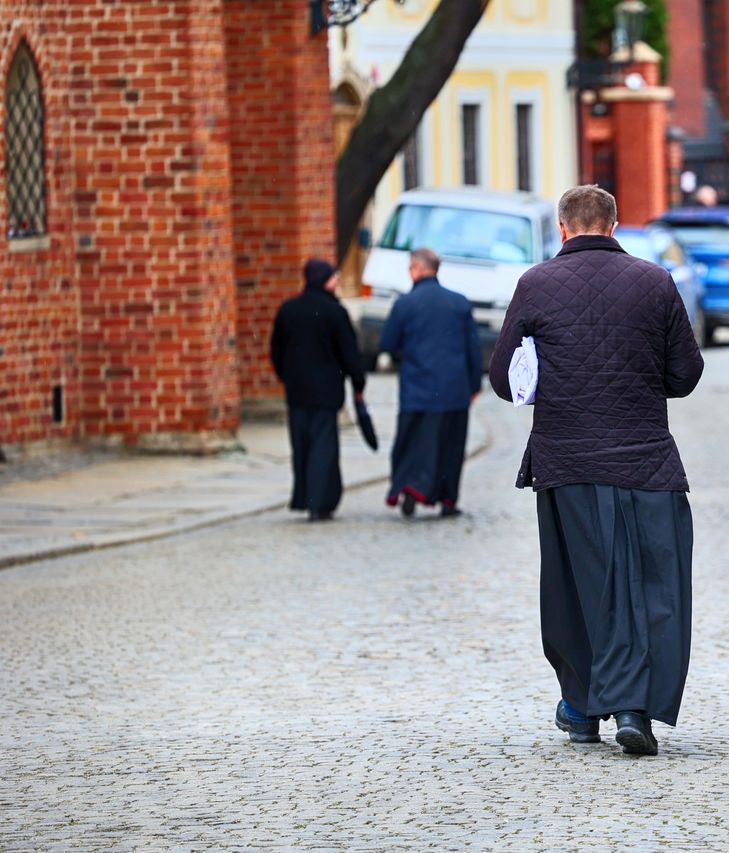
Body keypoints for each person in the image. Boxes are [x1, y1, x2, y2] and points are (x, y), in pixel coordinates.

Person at [490, 185, 704, 757]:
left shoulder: (535, 284)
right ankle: (635, 708)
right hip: (646, 460)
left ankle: (582, 706)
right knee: (652, 588)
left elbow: (501, 375)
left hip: (568, 460)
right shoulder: (655, 281)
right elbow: (685, 376)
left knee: (575, 590)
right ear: (616, 224)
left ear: (562, 228)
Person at [379, 248, 481, 519]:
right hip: (453, 389)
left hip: (417, 388)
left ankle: (411, 487)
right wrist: (474, 385)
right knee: (450, 446)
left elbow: (388, 343)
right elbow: (473, 348)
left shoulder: (405, 304)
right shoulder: (459, 303)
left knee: (412, 442)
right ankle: (447, 498)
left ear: (415, 269)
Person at [269, 259, 367, 522]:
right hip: (326, 391)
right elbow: (349, 353)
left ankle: (305, 496)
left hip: (297, 391)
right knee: (323, 446)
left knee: (301, 445)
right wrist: (358, 383)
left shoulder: (289, 310)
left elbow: (276, 351)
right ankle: (320, 499)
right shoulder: (334, 312)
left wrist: (286, 376)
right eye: (333, 278)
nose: (335, 283)